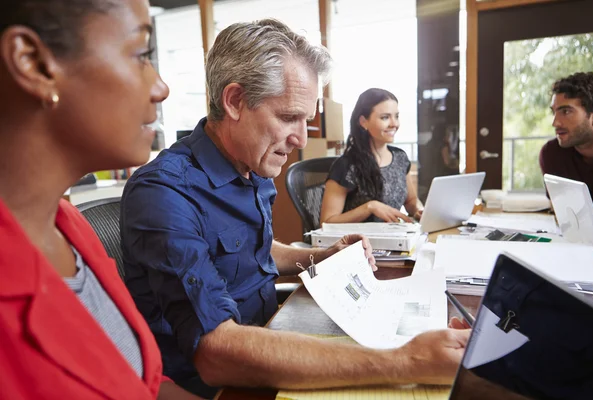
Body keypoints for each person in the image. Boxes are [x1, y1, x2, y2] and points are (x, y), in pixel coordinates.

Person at [120, 19, 470, 399]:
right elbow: (216, 352)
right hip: (219, 380)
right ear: (235, 101)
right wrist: (406, 361)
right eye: (288, 117)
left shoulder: (251, 166)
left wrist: (325, 255)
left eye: (307, 119)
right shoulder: (165, 192)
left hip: (272, 334)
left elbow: (253, 247)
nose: (301, 138)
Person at [0, 0, 202, 398]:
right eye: (141, 54)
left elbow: (140, 384)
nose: (160, 87)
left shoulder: (68, 227)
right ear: (34, 64)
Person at [321, 88, 424, 224]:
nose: (394, 124)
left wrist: (420, 210)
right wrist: (370, 207)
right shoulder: (346, 165)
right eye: (385, 117)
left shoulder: (400, 158)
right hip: (358, 243)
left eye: (396, 116)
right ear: (363, 122)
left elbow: (411, 201)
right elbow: (326, 222)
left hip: (394, 239)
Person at [539, 72, 593, 218]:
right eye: (554, 112)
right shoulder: (552, 153)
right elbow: (565, 212)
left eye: (566, 111)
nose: (555, 123)